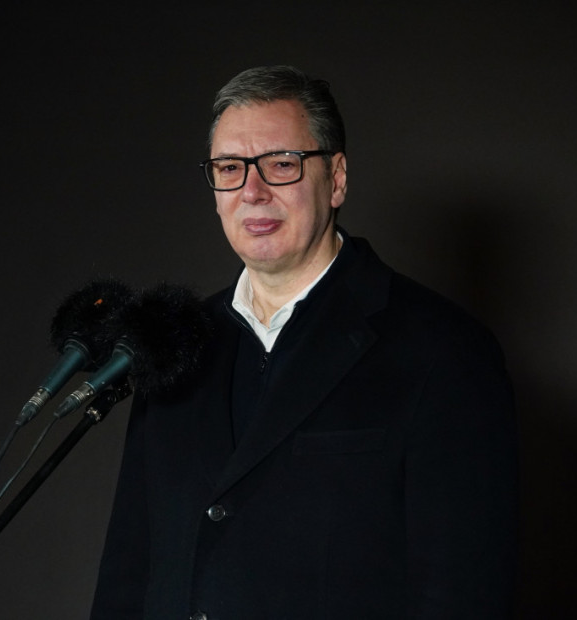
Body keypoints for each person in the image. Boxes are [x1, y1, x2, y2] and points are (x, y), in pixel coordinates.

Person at [90, 65, 518, 619]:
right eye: (230, 168)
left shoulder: (443, 349)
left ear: (335, 178)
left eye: (281, 164)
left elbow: (462, 593)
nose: (252, 192)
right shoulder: (173, 340)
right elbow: (129, 570)